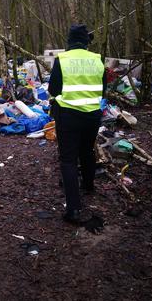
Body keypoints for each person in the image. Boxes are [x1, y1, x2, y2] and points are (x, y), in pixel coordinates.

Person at [48, 24, 106, 226]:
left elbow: (53, 89)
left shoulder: (62, 60)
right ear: (87, 42)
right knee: (87, 151)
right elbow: (102, 90)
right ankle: (89, 185)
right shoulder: (97, 60)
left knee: (68, 160)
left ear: (69, 41)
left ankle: (73, 209)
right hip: (92, 115)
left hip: (68, 115)